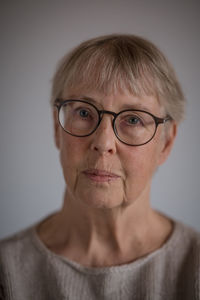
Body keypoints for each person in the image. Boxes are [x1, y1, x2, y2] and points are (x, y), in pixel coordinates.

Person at [0, 34, 199, 300]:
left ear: (166, 142)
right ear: (57, 129)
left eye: (133, 119)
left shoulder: (193, 266)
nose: (104, 142)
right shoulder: (7, 271)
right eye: (83, 112)